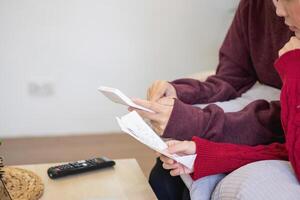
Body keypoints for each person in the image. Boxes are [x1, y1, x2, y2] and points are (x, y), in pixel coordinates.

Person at [129, 0, 293, 199]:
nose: (278, 10)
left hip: (277, 129)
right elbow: (232, 76)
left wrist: (195, 122)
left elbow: (287, 118)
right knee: (164, 175)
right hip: (262, 117)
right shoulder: (254, 5)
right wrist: (178, 92)